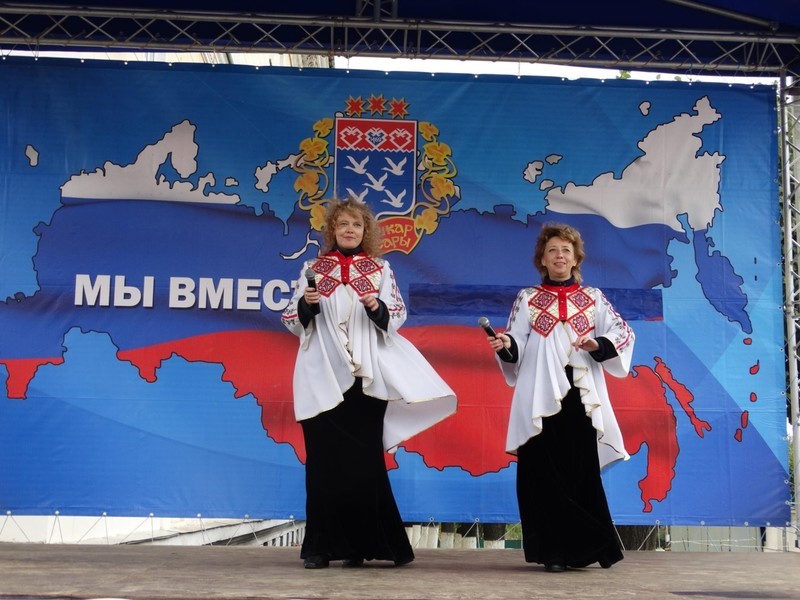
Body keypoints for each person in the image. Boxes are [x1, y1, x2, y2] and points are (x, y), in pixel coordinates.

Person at [282, 197, 457, 569]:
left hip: (365, 381)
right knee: (323, 464)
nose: (350, 230)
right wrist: (307, 305)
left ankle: (361, 546)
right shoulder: (312, 269)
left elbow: (397, 313)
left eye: (357, 225)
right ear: (332, 230)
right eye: (343, 224)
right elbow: (291, 319)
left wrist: (376, 307)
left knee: (363, 463)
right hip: (321, 376)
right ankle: (320, 548)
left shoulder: (380, 269)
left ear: (366, 231)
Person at [485, 223, 634, 573]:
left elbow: (623, 332)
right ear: (542, 258)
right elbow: (516, 340)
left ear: (576, 258)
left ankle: (588, 548)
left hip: (580, 394)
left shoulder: (593, 297)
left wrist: (597, 344)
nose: (559, 256)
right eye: (552, 250)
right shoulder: (527, 298)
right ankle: (552, 552)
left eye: (566, 250)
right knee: (541, 471)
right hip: (538, 395)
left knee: (580, 468)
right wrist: (505, 345)